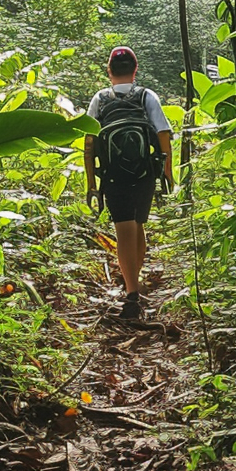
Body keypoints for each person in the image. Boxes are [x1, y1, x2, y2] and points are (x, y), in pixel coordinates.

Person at [85, 46, 173, 319]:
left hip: (113, 175)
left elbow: (89, 143)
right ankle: (135, 284)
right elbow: (163, 134)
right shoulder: (147, 95)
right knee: (138, 225)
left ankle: (132, 292)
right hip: (144, 173)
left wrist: (91, 184)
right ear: (135, 70)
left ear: (109, 71)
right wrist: (168, 172)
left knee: (124, 229)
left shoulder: (100, 99)